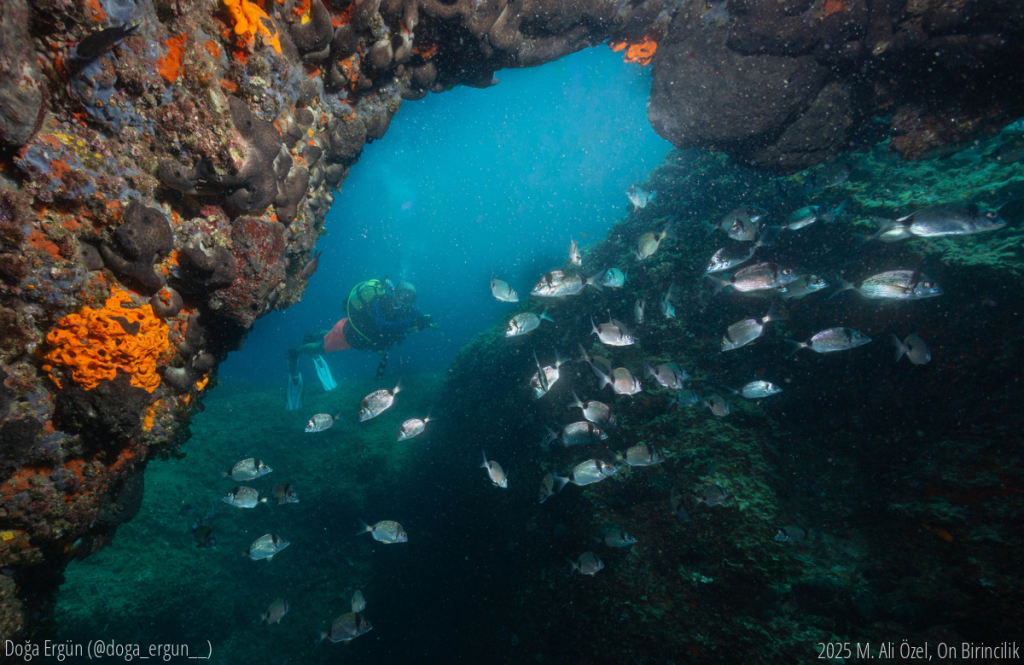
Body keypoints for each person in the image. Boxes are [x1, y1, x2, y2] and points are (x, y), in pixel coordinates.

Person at [286, 278, 437, 409]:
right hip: (347, 336)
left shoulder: (405, 309)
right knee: (320, 348)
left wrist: (425, 319)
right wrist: (410, 322)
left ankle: (311, 336)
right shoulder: (380, 302)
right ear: (396, 293)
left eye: (410, 298)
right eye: (403, 295)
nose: (406, 301)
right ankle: (296, 352)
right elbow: (381, 327)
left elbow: (417, 314)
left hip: (349, 330)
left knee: (329, 334)